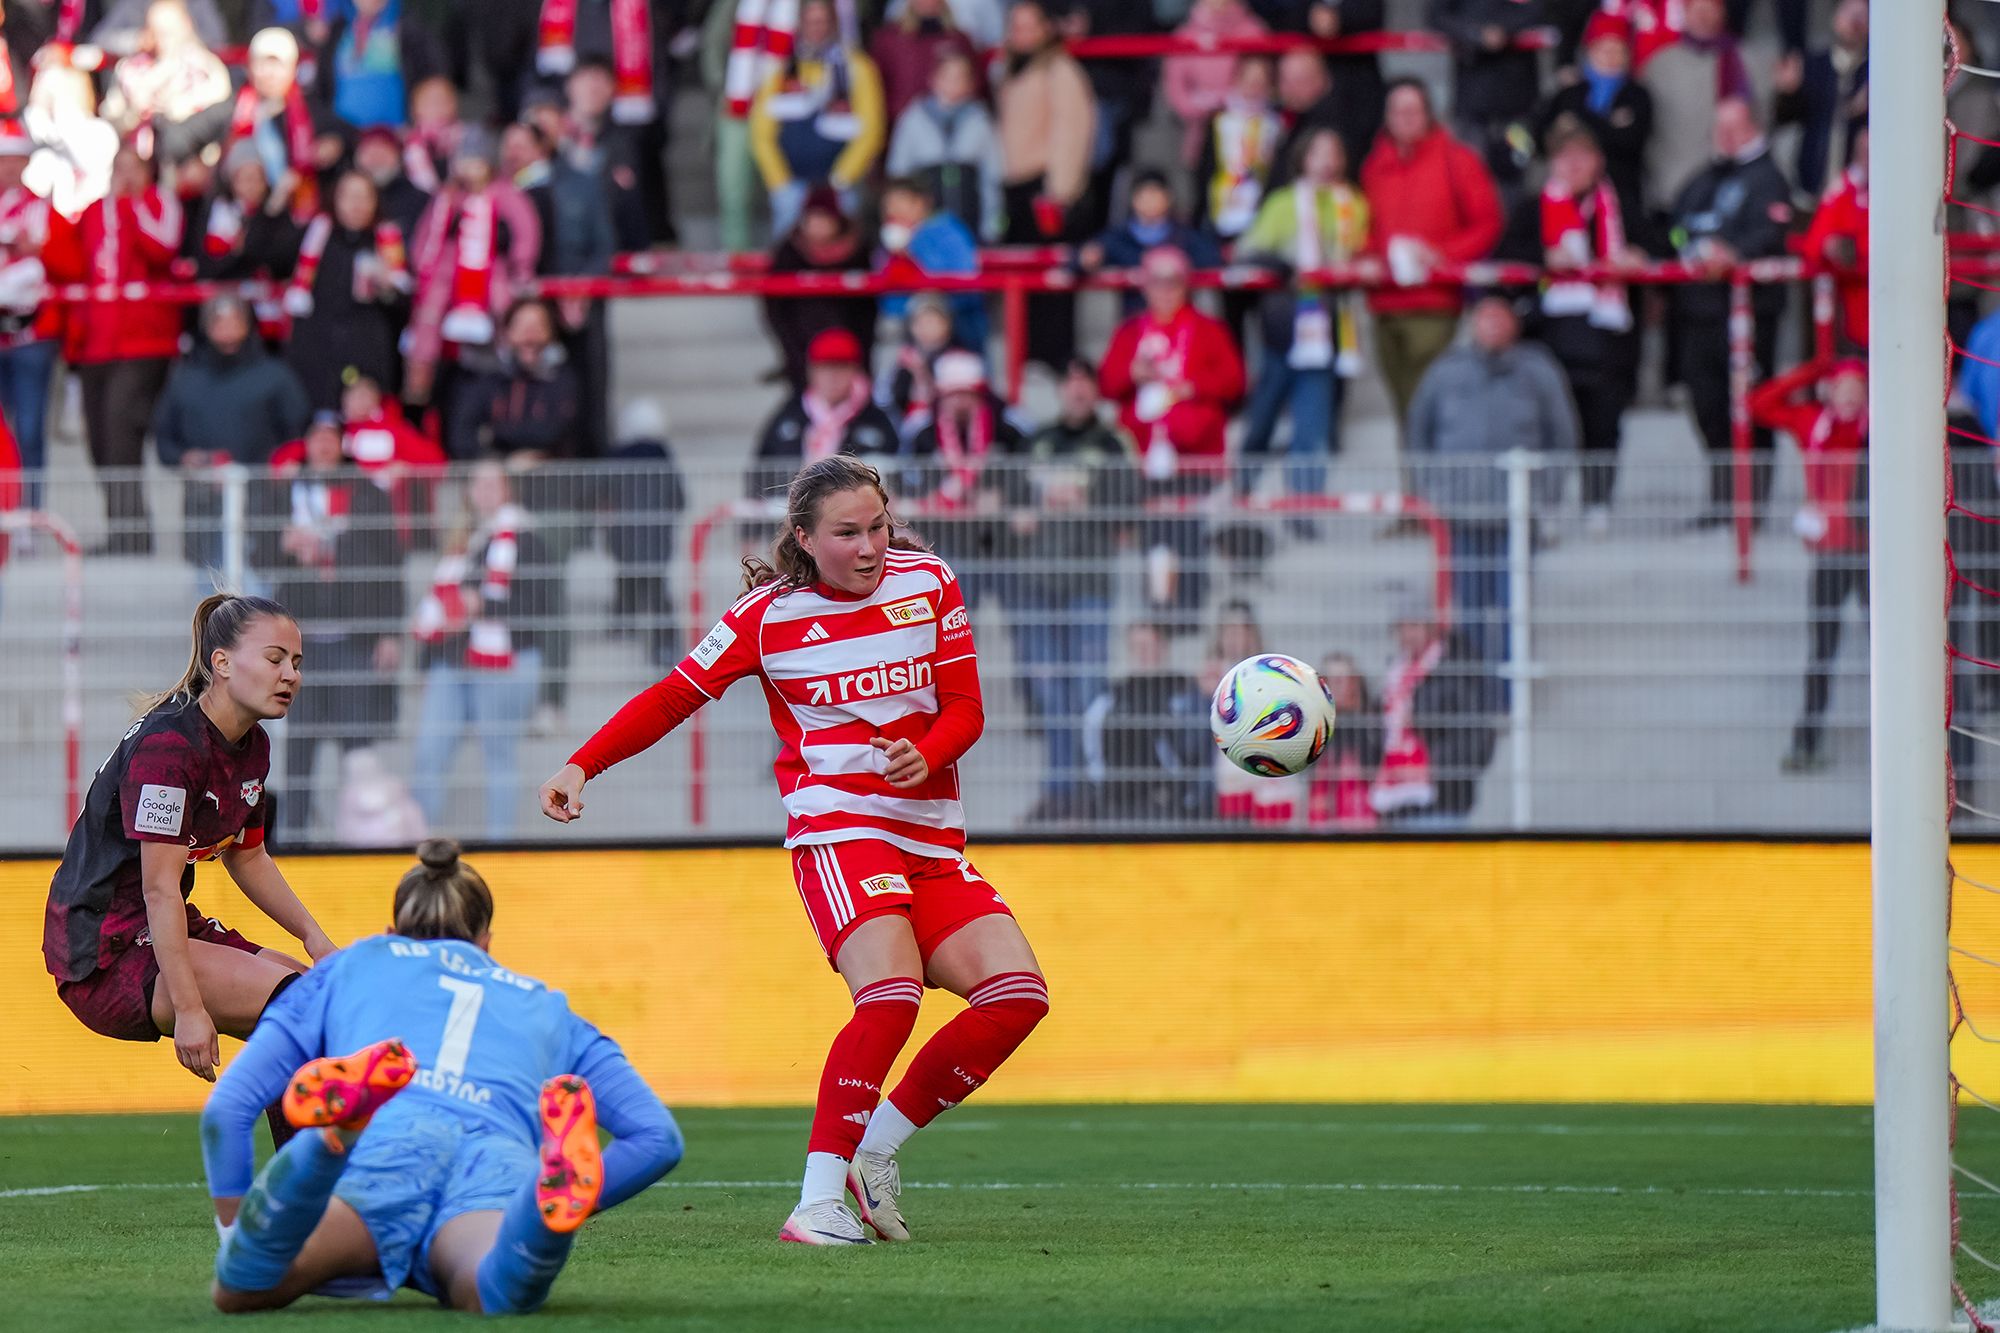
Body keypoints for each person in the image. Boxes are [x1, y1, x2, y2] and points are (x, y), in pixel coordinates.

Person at [540, 455, 1047, 1245]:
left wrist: (926, 751)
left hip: (930, 837)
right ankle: (815, 1203)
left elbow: (966, 709)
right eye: (848, 533)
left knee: (1018, 996)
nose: (870, 546)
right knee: (891, 995)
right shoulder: (766, 616)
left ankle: (872, 1150)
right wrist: (582, 764)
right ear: (804, 538)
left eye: (878, 526)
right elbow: (673, 695)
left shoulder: (931, 581)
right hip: (840, 832)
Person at [199, 839, 682, 1312]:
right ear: (486, 944)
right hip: (491, 1169)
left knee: (246, 1286)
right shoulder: (547, 1007)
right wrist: (573, 1199)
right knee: (490, 1287)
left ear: (393, 932)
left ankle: (330, 1143)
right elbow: (658, 1139)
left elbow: (228, 1109)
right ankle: (538, 1220)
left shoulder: (352, 967)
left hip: (389, 1153)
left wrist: (232, 1232)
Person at [41, 593, 334, 1085]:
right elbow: (159, 889)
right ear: (222, 663)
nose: (291, 675)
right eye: (275, 659)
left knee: (324, 1006)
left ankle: (289, 1140)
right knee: (300, 1008)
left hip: (162, 927)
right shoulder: (169, 748)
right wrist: (189, 1010)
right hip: (105, 954)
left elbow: (249, 856)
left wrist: (314, 938)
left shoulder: (253, 746)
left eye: (297, 663)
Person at [1405, 291, 1578, 666]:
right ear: (1472, 322)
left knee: (1514, 606)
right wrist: (1430, 490)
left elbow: (1562, 435)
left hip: (1516, 515)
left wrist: (1547, 494)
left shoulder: (1538, 370)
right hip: (1461, 514)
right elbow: (1419, 430)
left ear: (1515, 323)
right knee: (1469, 608)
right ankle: (1476, 687)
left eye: (1501, 316)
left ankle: (1511, 685)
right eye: (1486, 316)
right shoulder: (1446, 370)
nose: (1493, 325)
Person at [252, 416, 404, 841]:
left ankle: (362, 836)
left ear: (341, 445)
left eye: (330, 438)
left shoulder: (367, 493)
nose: (323, 446)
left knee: (357, 745)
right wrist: (284, 545)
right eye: (316, 437)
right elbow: (260, 554)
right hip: (301, 647)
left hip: (354, 638)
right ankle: (297, 839)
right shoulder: (285, 492)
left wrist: (389, 632)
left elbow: (391, 565)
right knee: (301, 747)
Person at [1498, 115, 1644, 536]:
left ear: (1599, 161)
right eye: (1565, 156)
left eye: (1583, 155)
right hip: (1550, 337)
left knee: (1603, 423)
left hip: (1607, 338)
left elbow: (1664, 240)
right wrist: (1544, 259)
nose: (1574, 164)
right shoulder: (1532, 208)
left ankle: (1598, 503)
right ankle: (1547, 504)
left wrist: (1637, 256)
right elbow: (1505, 258)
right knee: (1549, 425)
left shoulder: (1621, 205)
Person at [1359, 78, 1504, 488]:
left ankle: (1432, 500)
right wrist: (1368, 255)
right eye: (1397, 111)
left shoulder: (1457, 160)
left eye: (1413, 110)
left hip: (1434, 303)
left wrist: (1443, 254)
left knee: (1427, 407)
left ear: (1429, 114)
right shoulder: (1374, 166)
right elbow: (1363, 227)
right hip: (1384, 305)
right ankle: (1417, 498)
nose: (1405, 119)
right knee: (1404, 409)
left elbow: (1488, 222)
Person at [411, 460, 562, 840]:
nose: (484, 491)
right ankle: (421, 846)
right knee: (429, 754)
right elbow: (439, 603)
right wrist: (427, 660)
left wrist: (482, 605)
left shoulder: (526, 539)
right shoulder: (463, 541)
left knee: (499, 758)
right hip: (452, 660)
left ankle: (500, 848)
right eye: (478, 483)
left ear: (507, 490)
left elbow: (541, 605)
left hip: (504, 664)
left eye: (493, 484)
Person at [43, 143, 182, 555]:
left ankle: (132, 534)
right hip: (95, 346)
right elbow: (73, 264)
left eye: (134, 167)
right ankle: (122, 529)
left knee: (122, 433)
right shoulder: (94, 211)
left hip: (142, 342)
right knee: (99, 442)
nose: (126, 175)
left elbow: (163, 247)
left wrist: (133, 207)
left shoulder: (158, 203)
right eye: (119, 167)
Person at [1099, 245, 1245, 628]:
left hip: (1193, 456)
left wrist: (1191, 386)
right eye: (1157, 283)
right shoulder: (1131, 332)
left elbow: (1234, 381)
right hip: (1143, 457)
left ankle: (1188, 619)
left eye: (1173, 283)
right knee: (1153, 537)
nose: (1165, 291)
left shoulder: (1208, 330)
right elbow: (1108, 383)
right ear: (1145, 287)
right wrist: (1132, 373)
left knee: (1188, 538)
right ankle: (1157, 622)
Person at [1016, 359, 1134, 820]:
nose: (1077, 391)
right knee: (1051, 693)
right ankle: (1059, 791)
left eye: (1086, 383)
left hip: (1090, 583)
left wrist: (1087, 501)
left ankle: (1092, 791)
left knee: (1087, 691)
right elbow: (1009, 496)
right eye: (1071, 382)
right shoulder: (1039, 440)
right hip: (1038, 584)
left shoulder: (1112, 443)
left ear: (1095, 393)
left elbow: (1130, 505)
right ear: (1062, 390)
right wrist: (1021, 513)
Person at [1668, 97, 1792, 528]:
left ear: (1753, 127)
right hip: (1699, 313)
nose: (1723, 137)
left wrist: (1733, 254)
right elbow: (1676, 226)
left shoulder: (1769, 179)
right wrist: (1689, 249)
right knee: (1708, 408)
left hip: (1748, 315)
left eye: (1733, 127)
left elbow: (1773, 232)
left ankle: (1750, 509)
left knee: (1750, 409)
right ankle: (1722, 501)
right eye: (1718, 128)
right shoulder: (1703, 178)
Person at [1236, 127, 1369, 507]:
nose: (1327, 162)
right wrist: (1288, 269)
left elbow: (1361, 252)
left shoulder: (1354, 204)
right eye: (1318, 153)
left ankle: (1305, 507)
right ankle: (1242, 493)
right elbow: (1248, 253)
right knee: (1261, 422)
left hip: (1327, 333)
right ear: (1303, 159)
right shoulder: (1283, 203)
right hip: (1281, 330)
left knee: (1313, 427)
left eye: (1334, 153)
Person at [1751, 359, 1867, 775]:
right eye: (1842, 386)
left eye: (1857, 387)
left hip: (1871, 555)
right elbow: (1759, 404)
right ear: (1830, 391)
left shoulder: (1876, 427)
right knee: (1822, 650)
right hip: (1830, 554)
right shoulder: (1813, 424)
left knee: (1888, 645)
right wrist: (1812, 371)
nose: (1849, 395)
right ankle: (1806, 741)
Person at [153, 293, 313, 571]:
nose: (227, 331)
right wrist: (188, 458)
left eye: (234, 322)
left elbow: (300, 432)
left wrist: (282, 463)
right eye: (219, 323)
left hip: (262, 505)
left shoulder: (274, 375)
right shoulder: (186, 377)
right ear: (206, 327)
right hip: (204, 505)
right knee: (209, 587)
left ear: (248, 324)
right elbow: (164, 440)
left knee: (257, 588)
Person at [405, 128, 543, 408]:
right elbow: (428, 232)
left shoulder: (505, 194)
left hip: (493, 269)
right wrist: (422, 265)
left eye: (477, 163)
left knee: (504, 305)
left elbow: (525, 230)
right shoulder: (449, 197)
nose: (470, 171)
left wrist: (521, 265)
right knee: (429, 310)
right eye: (465, 163)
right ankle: (419, 371)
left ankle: (514, 363)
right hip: (448, 269)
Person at [997, 0, 1095, 370]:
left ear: (1045, 29)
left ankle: (1054, 359)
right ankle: (1029, 357)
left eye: (1029, 26)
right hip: (1016, 189)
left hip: (1045, 190)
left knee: (1051, 283)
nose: (1021, 34)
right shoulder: (1011, 69)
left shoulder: (1059, 70)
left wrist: (1059, 192)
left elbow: (1072, 131)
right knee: (1023, 280)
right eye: (1015, 27)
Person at [748, 0, 885, 237]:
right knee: (789, 249)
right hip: (790, 186)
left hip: (840, 185)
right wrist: (779, 181)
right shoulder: (781, 67)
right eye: (811, 22)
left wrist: (843, 178)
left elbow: (871, 129)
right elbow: (762, 131)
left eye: (822, 21)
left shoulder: (857, 66)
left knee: (843, 246)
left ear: (834, 23)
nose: (817, 28)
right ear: (800, 24)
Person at [283, 169, 413, 411]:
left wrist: (387, 288)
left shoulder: (387, 243)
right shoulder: (314, 236)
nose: (357, 205)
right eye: (350, 196)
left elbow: (405, 306)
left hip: (367, 359)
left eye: (364, 197)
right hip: (316, 356)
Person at [1370, 596, 1498, 826]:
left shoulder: (1456, 669)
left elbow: (1477, 732)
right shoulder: (1394, 673)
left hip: (1443, 798)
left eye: (1414, 625)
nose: (1407, 634)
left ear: (1431, 627)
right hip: (1396, 798)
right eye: (1402, 628)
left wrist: (1444, 768)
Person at [1081, 619, 1211, 825]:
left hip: (1171, 804)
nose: (1144, 653)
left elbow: (1195, 750)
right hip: (1118, 804)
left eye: (1149, 646)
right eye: (1138, 647)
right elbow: (1092, 748)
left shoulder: (1185, 692)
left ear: (1164, 647)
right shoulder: (1112, 697)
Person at [752, 327, 903, 500]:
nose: (832, 377)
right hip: (790, 509)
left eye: (841, 368)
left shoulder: (876, 420)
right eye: (825, 368)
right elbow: (760, 471)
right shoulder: (789, 416)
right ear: (811, 371)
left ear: (855, 371)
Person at [1638, 0, 1752, 217]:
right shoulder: (1659, 64)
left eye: (1710, 9)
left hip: (1731, 193)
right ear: (1685, 14)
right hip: (1671, 190)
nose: (1702, 17)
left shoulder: (1746, 60)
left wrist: (1789, 95)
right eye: (1696, 10)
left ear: (1722, 13)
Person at [1533, 11, 1652, 212]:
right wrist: (1607, 125)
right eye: (1604, 50)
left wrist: (1578, 122)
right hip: (1568, 193)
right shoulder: (1570, 92)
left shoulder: (1637, 95)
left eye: (1618, 50)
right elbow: (1541, 137)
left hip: (1620, 195)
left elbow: (1629, 142)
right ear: (1590, 52)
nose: (1611, 58)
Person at [886, 47, 1006, 242]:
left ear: (970, 83)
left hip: (968, 220)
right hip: (924, 224)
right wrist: (901, 224)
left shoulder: (980, 120)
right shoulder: (914, 118)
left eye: (960, 78)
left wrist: (992, 224)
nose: (953, 84)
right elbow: (898, 173)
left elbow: (992, 176)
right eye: (947, 77)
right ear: (934, 79)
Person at [1434, 0, 1546, 202]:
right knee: (1468, 177)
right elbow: (1437, 16)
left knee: (1516, 177)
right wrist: (1476, 33)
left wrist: (1503, 30)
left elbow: (1541, 11)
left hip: (1518, 102)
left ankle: (1512, 222)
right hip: (1472, 101)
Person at [765, 188, 876, 390]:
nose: (818, 225)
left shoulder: (858, 249)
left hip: (851, 341)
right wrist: (794, 355)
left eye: (824, 218)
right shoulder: (789, 251)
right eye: (813, 218)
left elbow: (868, 307)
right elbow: (775, 306)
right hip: (802, 346)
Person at [448, 297, 584, 462]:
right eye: (523, 326)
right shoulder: (485, 379)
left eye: (538, 326)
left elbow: (557, 432)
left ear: (551, 334)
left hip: (547, 470)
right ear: (507, 332)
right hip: (494, 469)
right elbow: (462, 436)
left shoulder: (562, 379)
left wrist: (493, 434)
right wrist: (501, 462)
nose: (530, 335)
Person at [98, 0, 232, 167]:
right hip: (137, 161)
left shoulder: (206, 67)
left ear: (187, 26)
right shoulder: (130, 70)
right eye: (157, 33)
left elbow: (221, 108)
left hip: (191, 158)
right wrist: (133, 112)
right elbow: (111, 119)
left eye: (170, 32)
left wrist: (181, 108)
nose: (163, 40)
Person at [1076, 169, 1222, 317]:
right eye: (1144, 195)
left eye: (1155, 194)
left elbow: (1212, 259)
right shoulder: (1119, 238)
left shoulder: (1185, 237)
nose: (1150, 201)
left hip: (1179, 322)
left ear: (1168, 198)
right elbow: (1081, 257)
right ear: (1133, 200)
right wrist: (1086, 258)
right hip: (1136, 321)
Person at [0, 124, 55, 509]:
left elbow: (42, 260)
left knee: (30, 429)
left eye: (14, 160)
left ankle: (30, 515)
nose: (8, 167)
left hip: (30, 335)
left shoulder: (40, 206)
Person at [876, 175, 986, 355]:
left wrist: (912, 254)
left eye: (899, 202)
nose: (892, 210)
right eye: (887, 205)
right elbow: (889, 296)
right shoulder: (890, 241)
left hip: (955, 323)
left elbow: (964, 275)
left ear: (922, 203)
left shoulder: (946, 230)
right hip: (905, 328)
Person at [1773, 0, 1866, 204]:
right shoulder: (1814, 64)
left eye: (1861, 14)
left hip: (1856, 191)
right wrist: (1788, 93)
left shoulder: (1873, 71)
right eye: (1848, 12)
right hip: (1812, 182)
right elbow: (1785, 119)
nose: (1854, 21)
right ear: (1835, 18)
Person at [311, 0, 449, 133]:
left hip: (397, 134)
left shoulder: (409, 28)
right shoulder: (337, 29)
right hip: (345, 137)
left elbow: (434, 81)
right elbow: (321, 85)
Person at [226, 28, 319, 220]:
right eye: (262, 65)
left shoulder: (309, 111)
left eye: (277, 66)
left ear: (293, 68)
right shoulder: (233, 109)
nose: (269, 74)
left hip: (293, 214)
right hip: (239, 213)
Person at [1162, 0, 1266, 168]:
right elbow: (1176, 92)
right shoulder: (1184, 35)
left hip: (1248, 133)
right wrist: (1203, 105)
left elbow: (1262, 81)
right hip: (1200, 135)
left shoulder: (1254, 31)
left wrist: (1222, 100)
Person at [1802, 120, 1868, 352]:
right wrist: (1835, 248)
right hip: (1852, 315)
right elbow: (1814, 246)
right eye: (1864, 153)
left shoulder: (1904, 191)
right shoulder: (1843, 190)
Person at [870, 0, 980, 123]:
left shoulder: (959, 40)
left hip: (953, 124)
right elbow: (875, 90)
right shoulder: (889, 40)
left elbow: (975, 88)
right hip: (900, 123)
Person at [1306, 652, 1382, 829]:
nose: (1336, 687)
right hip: (1321, 820)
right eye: (1330, 681)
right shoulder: (1315, 727)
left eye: (1342, 680)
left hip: (1361, 821)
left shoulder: (1370, 724)